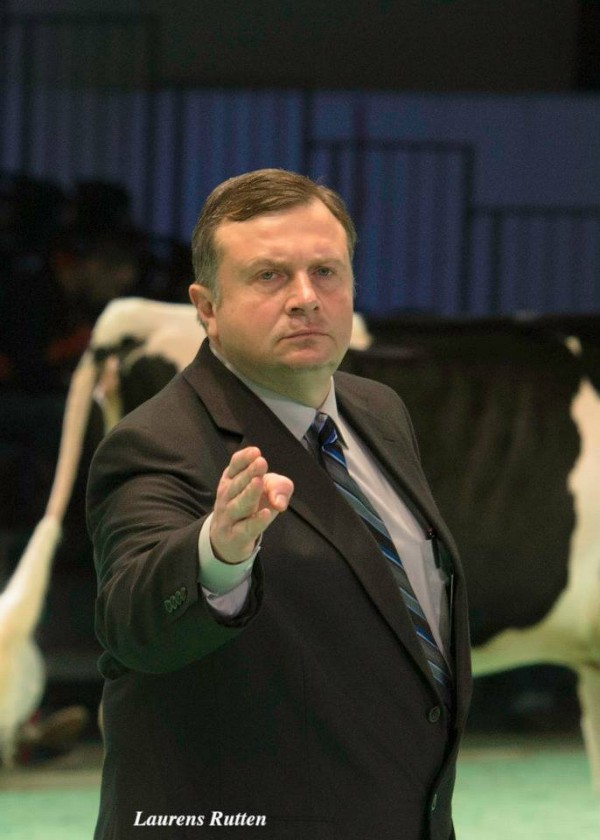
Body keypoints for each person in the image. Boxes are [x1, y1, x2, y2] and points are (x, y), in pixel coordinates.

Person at [87, 169, 472, 839]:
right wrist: (217, 556)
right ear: (206, 308)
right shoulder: (154, 442)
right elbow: (133, 624)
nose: (305, 298)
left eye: (326, 271)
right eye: (268, 277)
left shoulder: (378, 410)